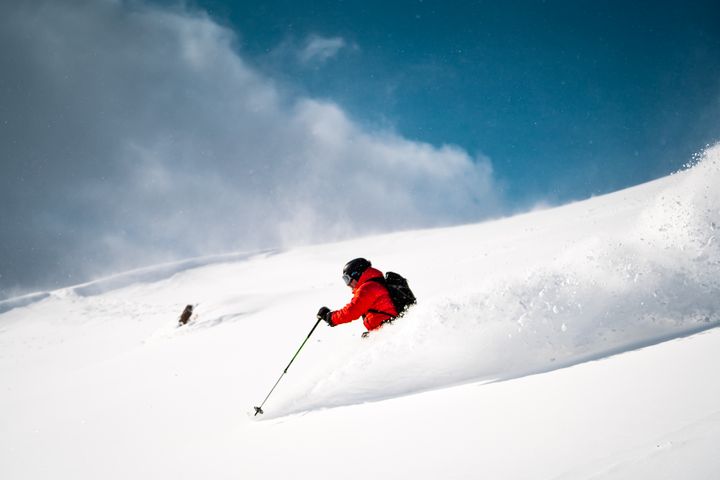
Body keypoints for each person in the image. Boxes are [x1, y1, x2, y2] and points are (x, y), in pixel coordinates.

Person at [317, 258, 398, 336]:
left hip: (387, 331)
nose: (348, 284)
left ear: (357, 275)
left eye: (347, 279)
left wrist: (330, 317)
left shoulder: (367, 288)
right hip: (387, 328)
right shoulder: (375, 284)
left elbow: (352, 311)